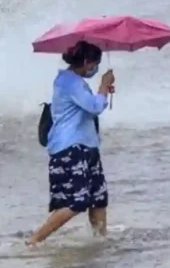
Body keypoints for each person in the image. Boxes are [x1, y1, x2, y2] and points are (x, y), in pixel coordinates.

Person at [26, 40, 116, 246]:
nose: (95, 69)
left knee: (98, 197)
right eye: (94, 64)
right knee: (77, 201)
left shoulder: (74, 81)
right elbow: (94, 106)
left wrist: (103, 92)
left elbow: (91, 105)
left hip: (87, 146)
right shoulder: (68, 82)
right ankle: (35, 240)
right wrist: (102, 86)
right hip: (70, 149)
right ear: (85, 62)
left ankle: (100, 241)